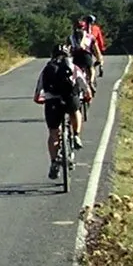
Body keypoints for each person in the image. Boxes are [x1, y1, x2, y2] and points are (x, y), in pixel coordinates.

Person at [36, 44, 86, 180]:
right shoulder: (73, 67)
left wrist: (40, 99)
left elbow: (38, 91)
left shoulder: (47, 69)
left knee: (53, 134)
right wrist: (87, 95)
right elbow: (83, 84)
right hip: (70, 99)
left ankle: (53, 163)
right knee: (76, 111)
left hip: (52, 102)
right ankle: (76, 135)